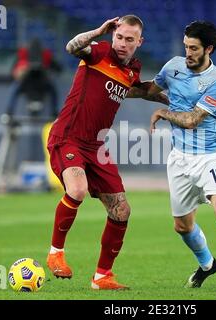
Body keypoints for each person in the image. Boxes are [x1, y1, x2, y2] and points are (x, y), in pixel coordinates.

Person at [129, 21, 216, 292]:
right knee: (182, 226)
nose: (188, 53)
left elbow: (192, 119)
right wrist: (115, 88)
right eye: (186, 47)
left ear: (209, 49)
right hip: (179, 159)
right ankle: (208, 265)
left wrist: (163, 113)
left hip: (210, 158)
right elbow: (149, 90)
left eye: (194, 48)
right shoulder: (173, 67)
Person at [46, 15, 168, 290]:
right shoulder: (98, 52)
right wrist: (99, 31)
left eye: (129, 39)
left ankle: (102, 276)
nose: (122, 44)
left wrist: (167, 96)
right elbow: (71, 47)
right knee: (76, 189)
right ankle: (56, 253)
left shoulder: (132, 70)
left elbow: (133, 89)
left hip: (96, 145)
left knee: (121, 210)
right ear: (113, 36)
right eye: (119, 37)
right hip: (68, 137)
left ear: (140, 42)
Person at [7, 38, 62, 118]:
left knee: (53, 89)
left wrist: (48, 70)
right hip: (25, 83)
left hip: (42, 83)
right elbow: (13, 72)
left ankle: (54, 112)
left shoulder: (46, 54)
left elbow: (58, 68)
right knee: (14, 88)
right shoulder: (23, 54)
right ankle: (9, 111)